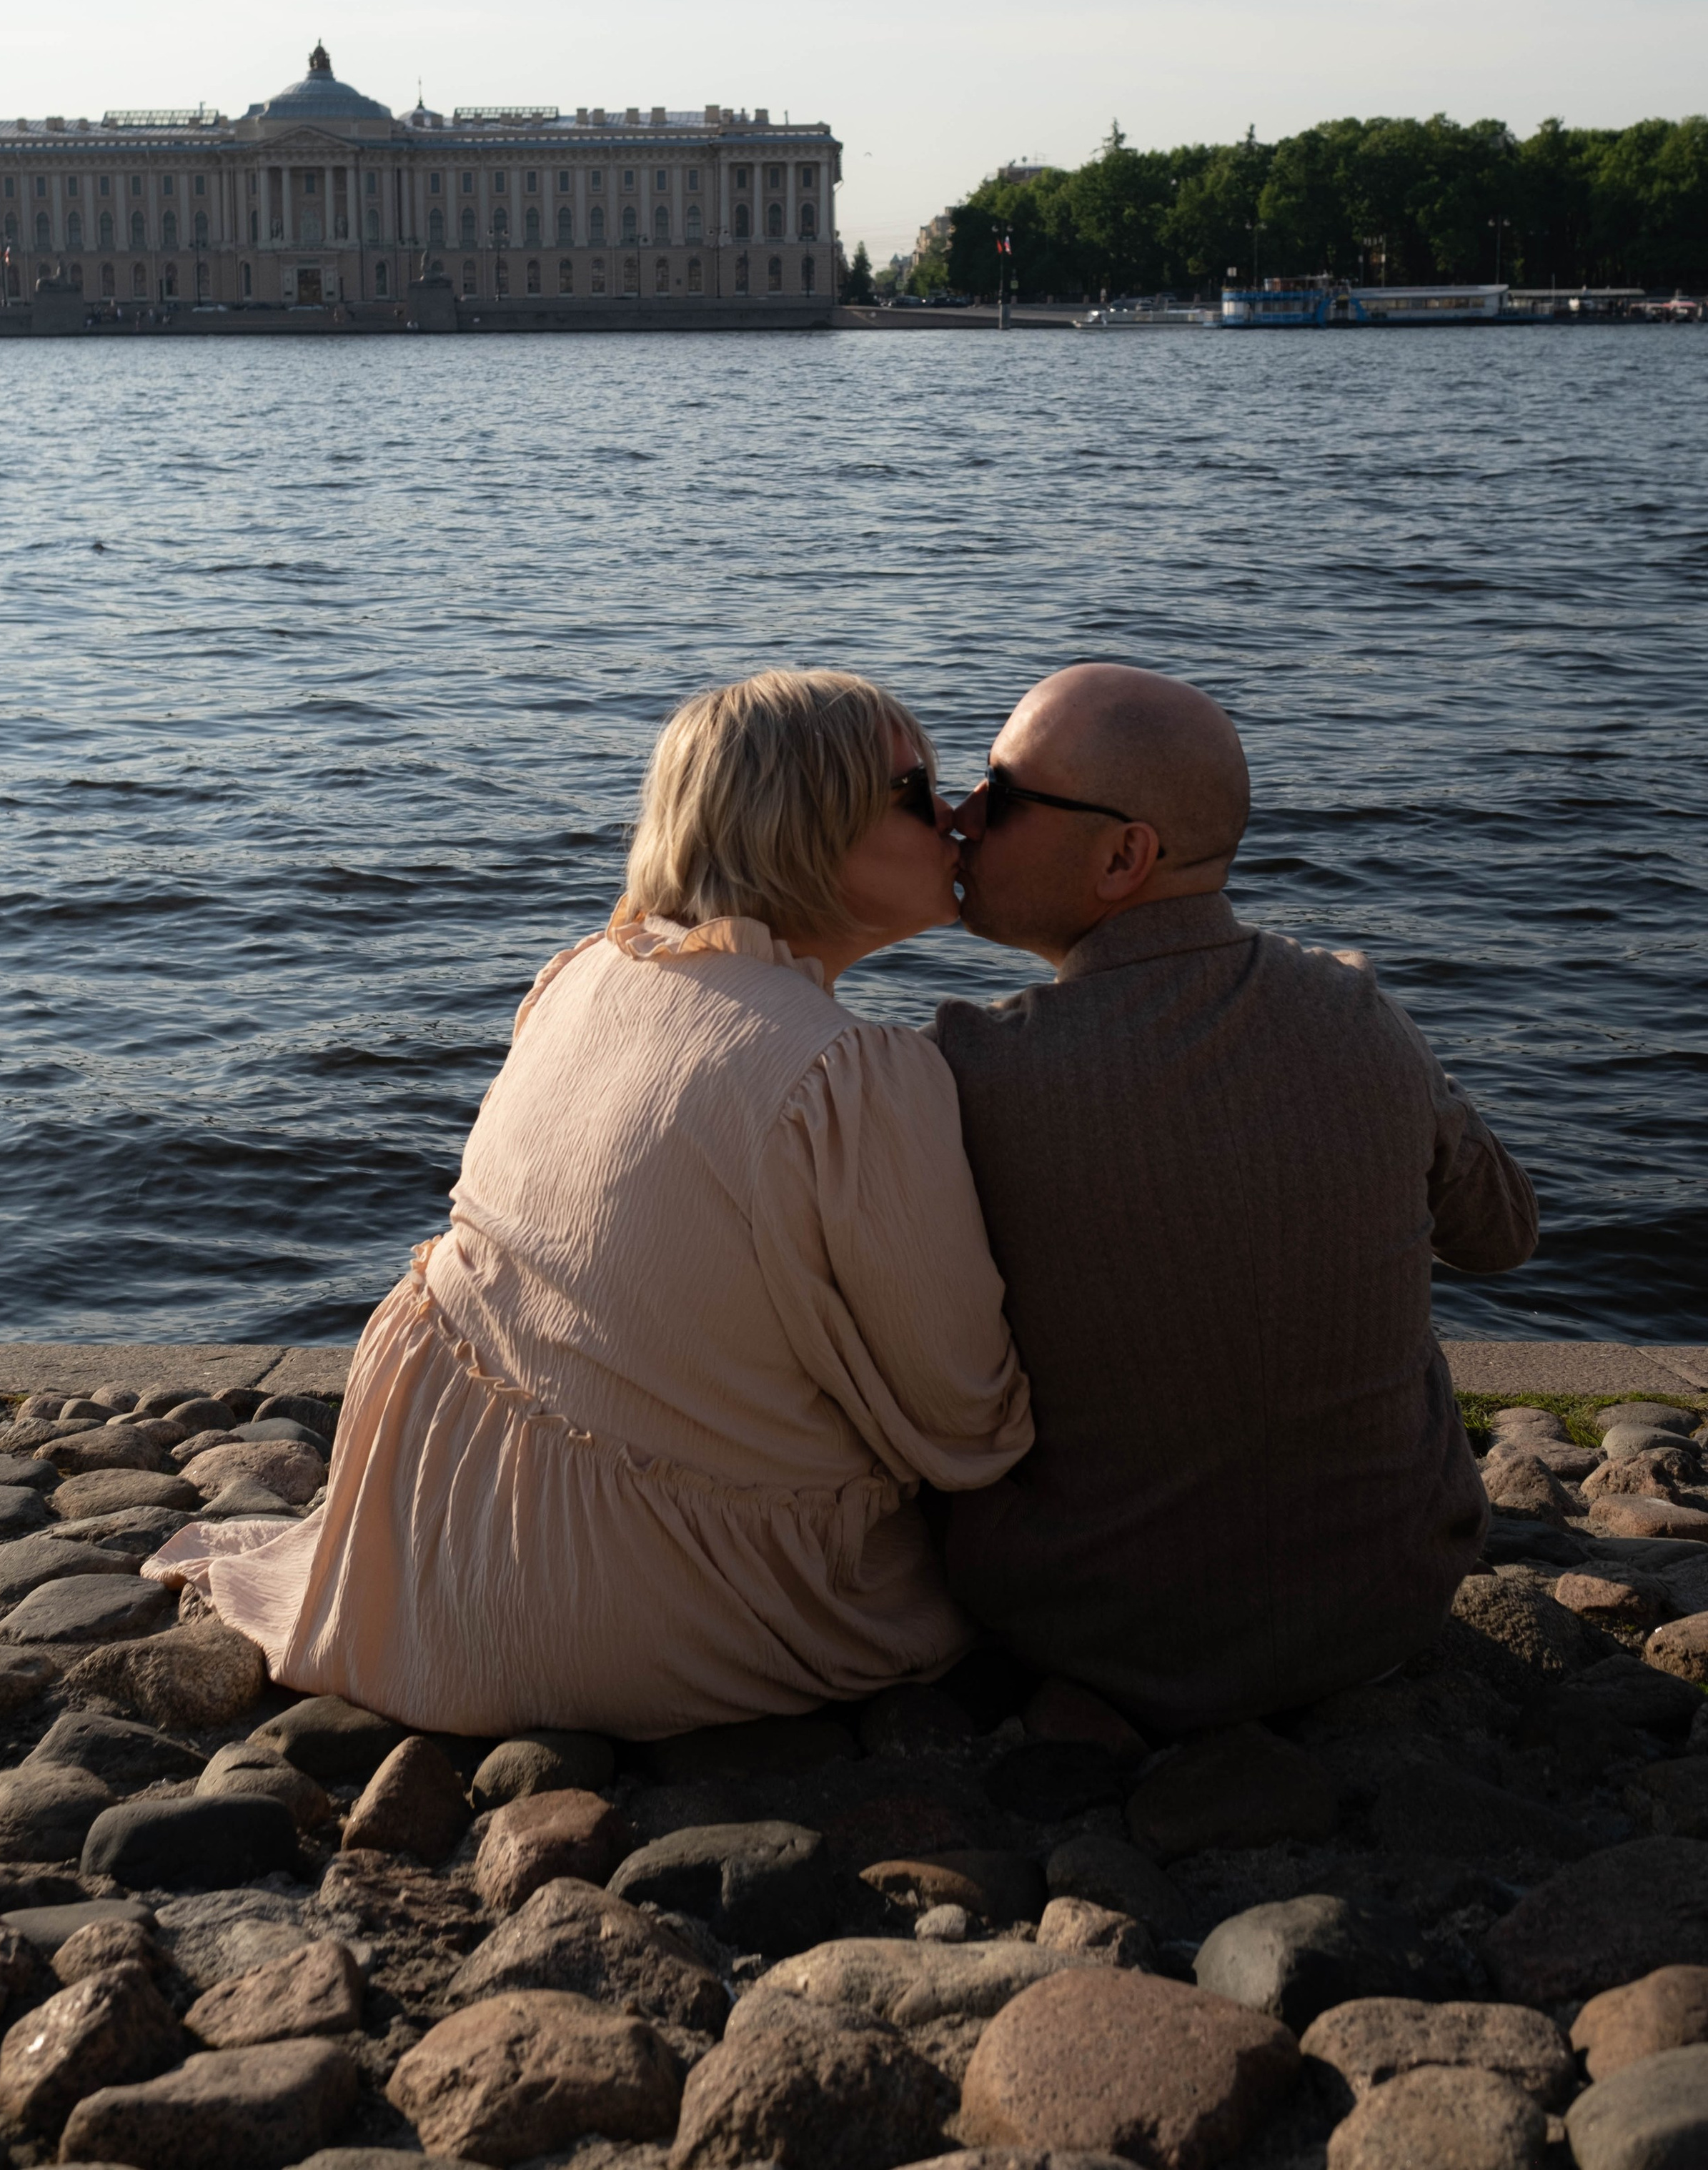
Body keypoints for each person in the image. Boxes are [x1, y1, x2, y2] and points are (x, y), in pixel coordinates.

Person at [149, 670, 1031, 1736]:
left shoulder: (588, 975)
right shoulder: (848, 1074)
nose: (955, 817)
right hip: (642, 1610)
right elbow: (968, 1426)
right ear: (805, 824)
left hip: (427, 1545)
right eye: (914, 789)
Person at [933, 660, 1536, 1735]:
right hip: (1386, 1608)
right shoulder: (1359, 1014)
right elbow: (1500, 1238)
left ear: (1126, 855)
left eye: (1002, 794)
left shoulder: (970, 1070)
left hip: (1085, 1627)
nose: (961, 818)